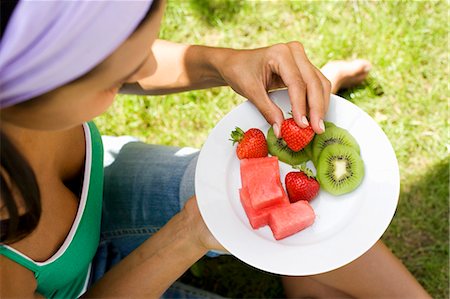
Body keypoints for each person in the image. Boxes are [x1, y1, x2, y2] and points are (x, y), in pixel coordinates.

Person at [0, 1, 430, 298]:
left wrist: (222, 62)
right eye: (118, 77)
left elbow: (123, 57)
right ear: (40, 82)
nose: (144, 68)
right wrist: (189, 233)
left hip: (103, 189)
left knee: (292, 222)